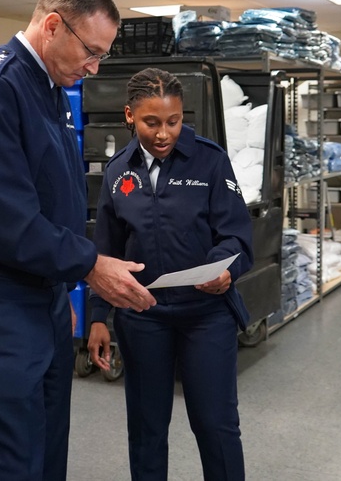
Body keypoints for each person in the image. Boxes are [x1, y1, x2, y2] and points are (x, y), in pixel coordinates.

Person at [0, 0, 157, 481]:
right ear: (53, 25)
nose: (94, 68)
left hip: (40, 295)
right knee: (13, 462)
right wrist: (91, 265)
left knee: (48, 453)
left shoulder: (49, 85)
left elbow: (54, 198)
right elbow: (8, 223)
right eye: (90, 52)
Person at [88, 67, 254, 481]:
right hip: (142, 316)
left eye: (174, 121)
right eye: (152, 122)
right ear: (130, 116)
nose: (164, 133)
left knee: (216, 425)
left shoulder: (211, 160)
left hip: (206, 314)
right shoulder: (117, 172)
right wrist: (96, 317)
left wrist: (226, 269)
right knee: (146, 427)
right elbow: (103, 254)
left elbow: (236, 236)